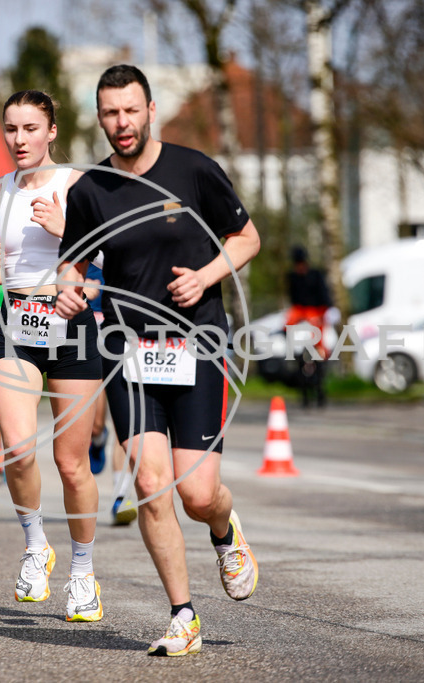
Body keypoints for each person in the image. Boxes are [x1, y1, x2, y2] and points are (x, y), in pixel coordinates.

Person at [55, 65, 261, 656]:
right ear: (100, 117)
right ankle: (183, 615)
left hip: (199, 345)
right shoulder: (90, 189)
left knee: (197, 494)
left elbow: (246, 238)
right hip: (129, 352)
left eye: (130, 110)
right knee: (150, 483)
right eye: (110, 113)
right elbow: (74, 263)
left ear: (150, 110)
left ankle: (224, 530)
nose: (121, 123)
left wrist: (206, 276)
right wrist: (70, 288)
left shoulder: (193, 170)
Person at [0, 90, 103, 621]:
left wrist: (64, 229)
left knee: (71, 465)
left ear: (50, 131)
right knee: (18, 451)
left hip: (71, 323)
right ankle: (34, 545)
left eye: (29, 128)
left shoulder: (77, 186)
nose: (18, 140)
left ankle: (84, 573)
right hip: (16, 324)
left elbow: (115, 253)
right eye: (10, 129)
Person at [83, 264, 137, 526]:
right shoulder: (81, 231)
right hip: (86, 329)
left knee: (122, 418)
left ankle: (121, 496)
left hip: (121, 329)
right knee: (95, 421)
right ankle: (97, 437)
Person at [285, 244, 332, 407]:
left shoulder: (316, 276)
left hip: (317, 317)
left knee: (319, 354)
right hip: (301, 319)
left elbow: (325, 298)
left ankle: (319, 393)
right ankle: (304, 394)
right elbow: (294, 301)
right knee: (299, 355)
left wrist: (317, 316)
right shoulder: (292, 277)